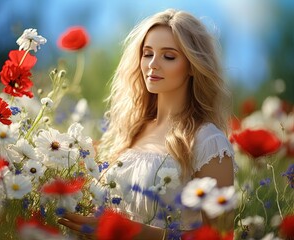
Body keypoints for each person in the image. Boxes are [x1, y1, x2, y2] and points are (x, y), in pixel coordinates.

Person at [58, 8, 236, 239]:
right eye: (147, 53)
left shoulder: (208, 141)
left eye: (169, 56)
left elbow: (221, 236)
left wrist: (133, 233)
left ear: (193, 66)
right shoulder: (133, 129)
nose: (153, 64)